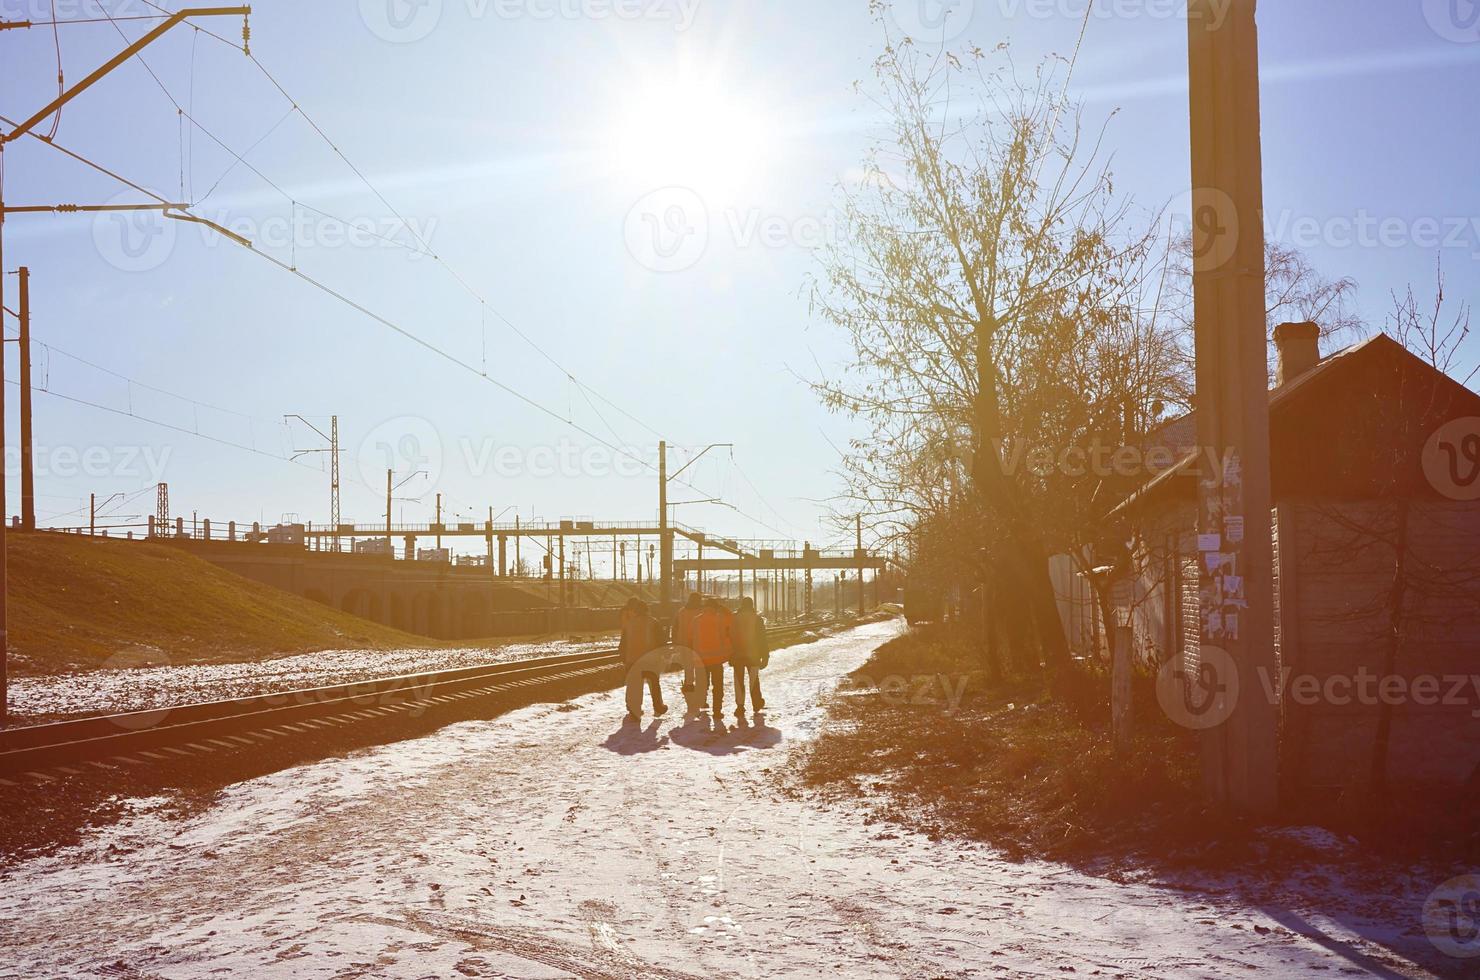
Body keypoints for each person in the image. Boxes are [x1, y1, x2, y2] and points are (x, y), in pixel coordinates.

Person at [618, 598, 666, 720]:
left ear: (635, 611)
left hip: (632, 660)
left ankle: (634, 711)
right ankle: (658, 707)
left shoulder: (629, 624)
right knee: (654, 684)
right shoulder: (654, 622)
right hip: (650, 661)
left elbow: (623, 643)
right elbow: (661, 642)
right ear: (647, 610)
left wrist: (624, 658)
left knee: (634, 686)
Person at [690, 597, 734, 717]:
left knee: (702, 684)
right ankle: (717, 711)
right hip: (716, 659)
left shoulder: (696, 620)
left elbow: (692, 637)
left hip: (700, 658)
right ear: (715, 607)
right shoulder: (720, 619)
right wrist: (722, 608)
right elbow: (731, 619)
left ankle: (700, 704)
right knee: (718, 686)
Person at [731, 596, 768, 716]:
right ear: (752, 606)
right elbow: (762, 639)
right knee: (753, 680)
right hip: (753, 655)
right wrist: (765, 656)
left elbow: (729, 637)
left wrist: (730, 654)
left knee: (738, 681)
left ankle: (740, 707)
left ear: (742, 605)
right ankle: (756, 703)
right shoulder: (757, 619)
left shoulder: (734, 618)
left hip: (737, 655)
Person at [671, 592, 705, 708]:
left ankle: (689, 691)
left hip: (683, 644)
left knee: (688, 668)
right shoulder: (701, 612)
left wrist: (675, 642)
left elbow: (674, 627)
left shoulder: (681, 612)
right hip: (699, 645)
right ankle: (701, 697)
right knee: (700, 670)